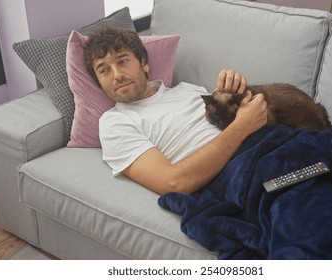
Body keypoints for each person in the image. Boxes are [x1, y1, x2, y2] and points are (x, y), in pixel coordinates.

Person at [84, 27, 268, 195]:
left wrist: (236, 91)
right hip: (240, 174)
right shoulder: (115, 122)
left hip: (268, 143)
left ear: (144, 63)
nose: (117, 75)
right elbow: (173, 183)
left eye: (123, 61)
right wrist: (242, 126)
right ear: (99, 83)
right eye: (104, 70)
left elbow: (233, 117)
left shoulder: (187, 89)